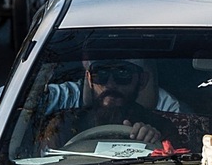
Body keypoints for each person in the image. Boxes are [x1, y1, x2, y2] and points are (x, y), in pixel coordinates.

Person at [34, 60, 181, 150]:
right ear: (90, 80)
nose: (110, 85)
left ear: (142, 80)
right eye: (101, 74)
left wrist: (156, 145)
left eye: (123, 73)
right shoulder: (62, 125)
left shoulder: (162, 128)